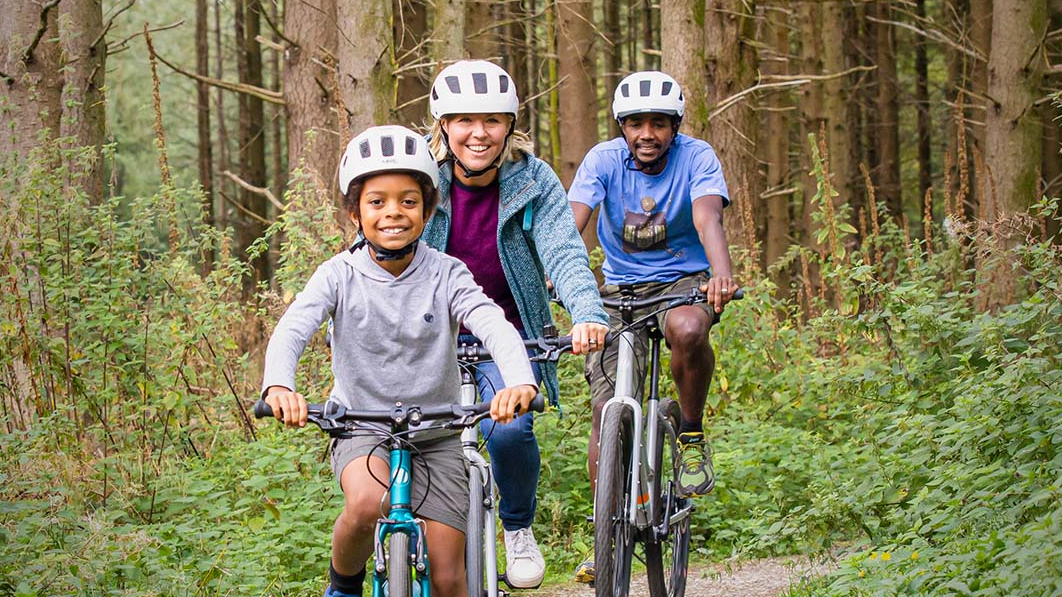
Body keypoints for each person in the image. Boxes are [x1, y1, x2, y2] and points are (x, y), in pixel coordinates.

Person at [260, 125, 539, 597]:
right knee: (368, 503)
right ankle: (344, 584)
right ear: (355, 212)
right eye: (377, 202)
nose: (393, 212)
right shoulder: (338, 275)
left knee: (451, 577)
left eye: (408, 201)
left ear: (428, 211)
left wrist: (518, 381)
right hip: (361, 428)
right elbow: (294, 327)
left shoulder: (448, 273)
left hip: (437, 435)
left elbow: (492, 323)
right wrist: (279, 386)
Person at [422, 59, 610, 588]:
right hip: (424, 340)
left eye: (492, 120)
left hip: (504, 339)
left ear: (510, 125)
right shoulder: (421, 178)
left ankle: (518, 527)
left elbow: (564, 253)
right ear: (443, 126)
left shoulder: (533, 179)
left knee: (510, 430)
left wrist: (587, 314)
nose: (478, 133)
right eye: (464, 120)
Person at [566, 71, 741, 581]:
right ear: (622, 126)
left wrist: (722, 277)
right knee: (606, 410)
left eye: (659, 123)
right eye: (636, 123)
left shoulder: (697, 157)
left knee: (687, 330)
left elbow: (709, 218)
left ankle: (689, 435)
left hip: (683, 281)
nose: (648, 133)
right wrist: (562, 275)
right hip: (617, 291)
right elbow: (572, 220)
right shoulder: (602, 161)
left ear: (675, 126)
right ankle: (605, 534)